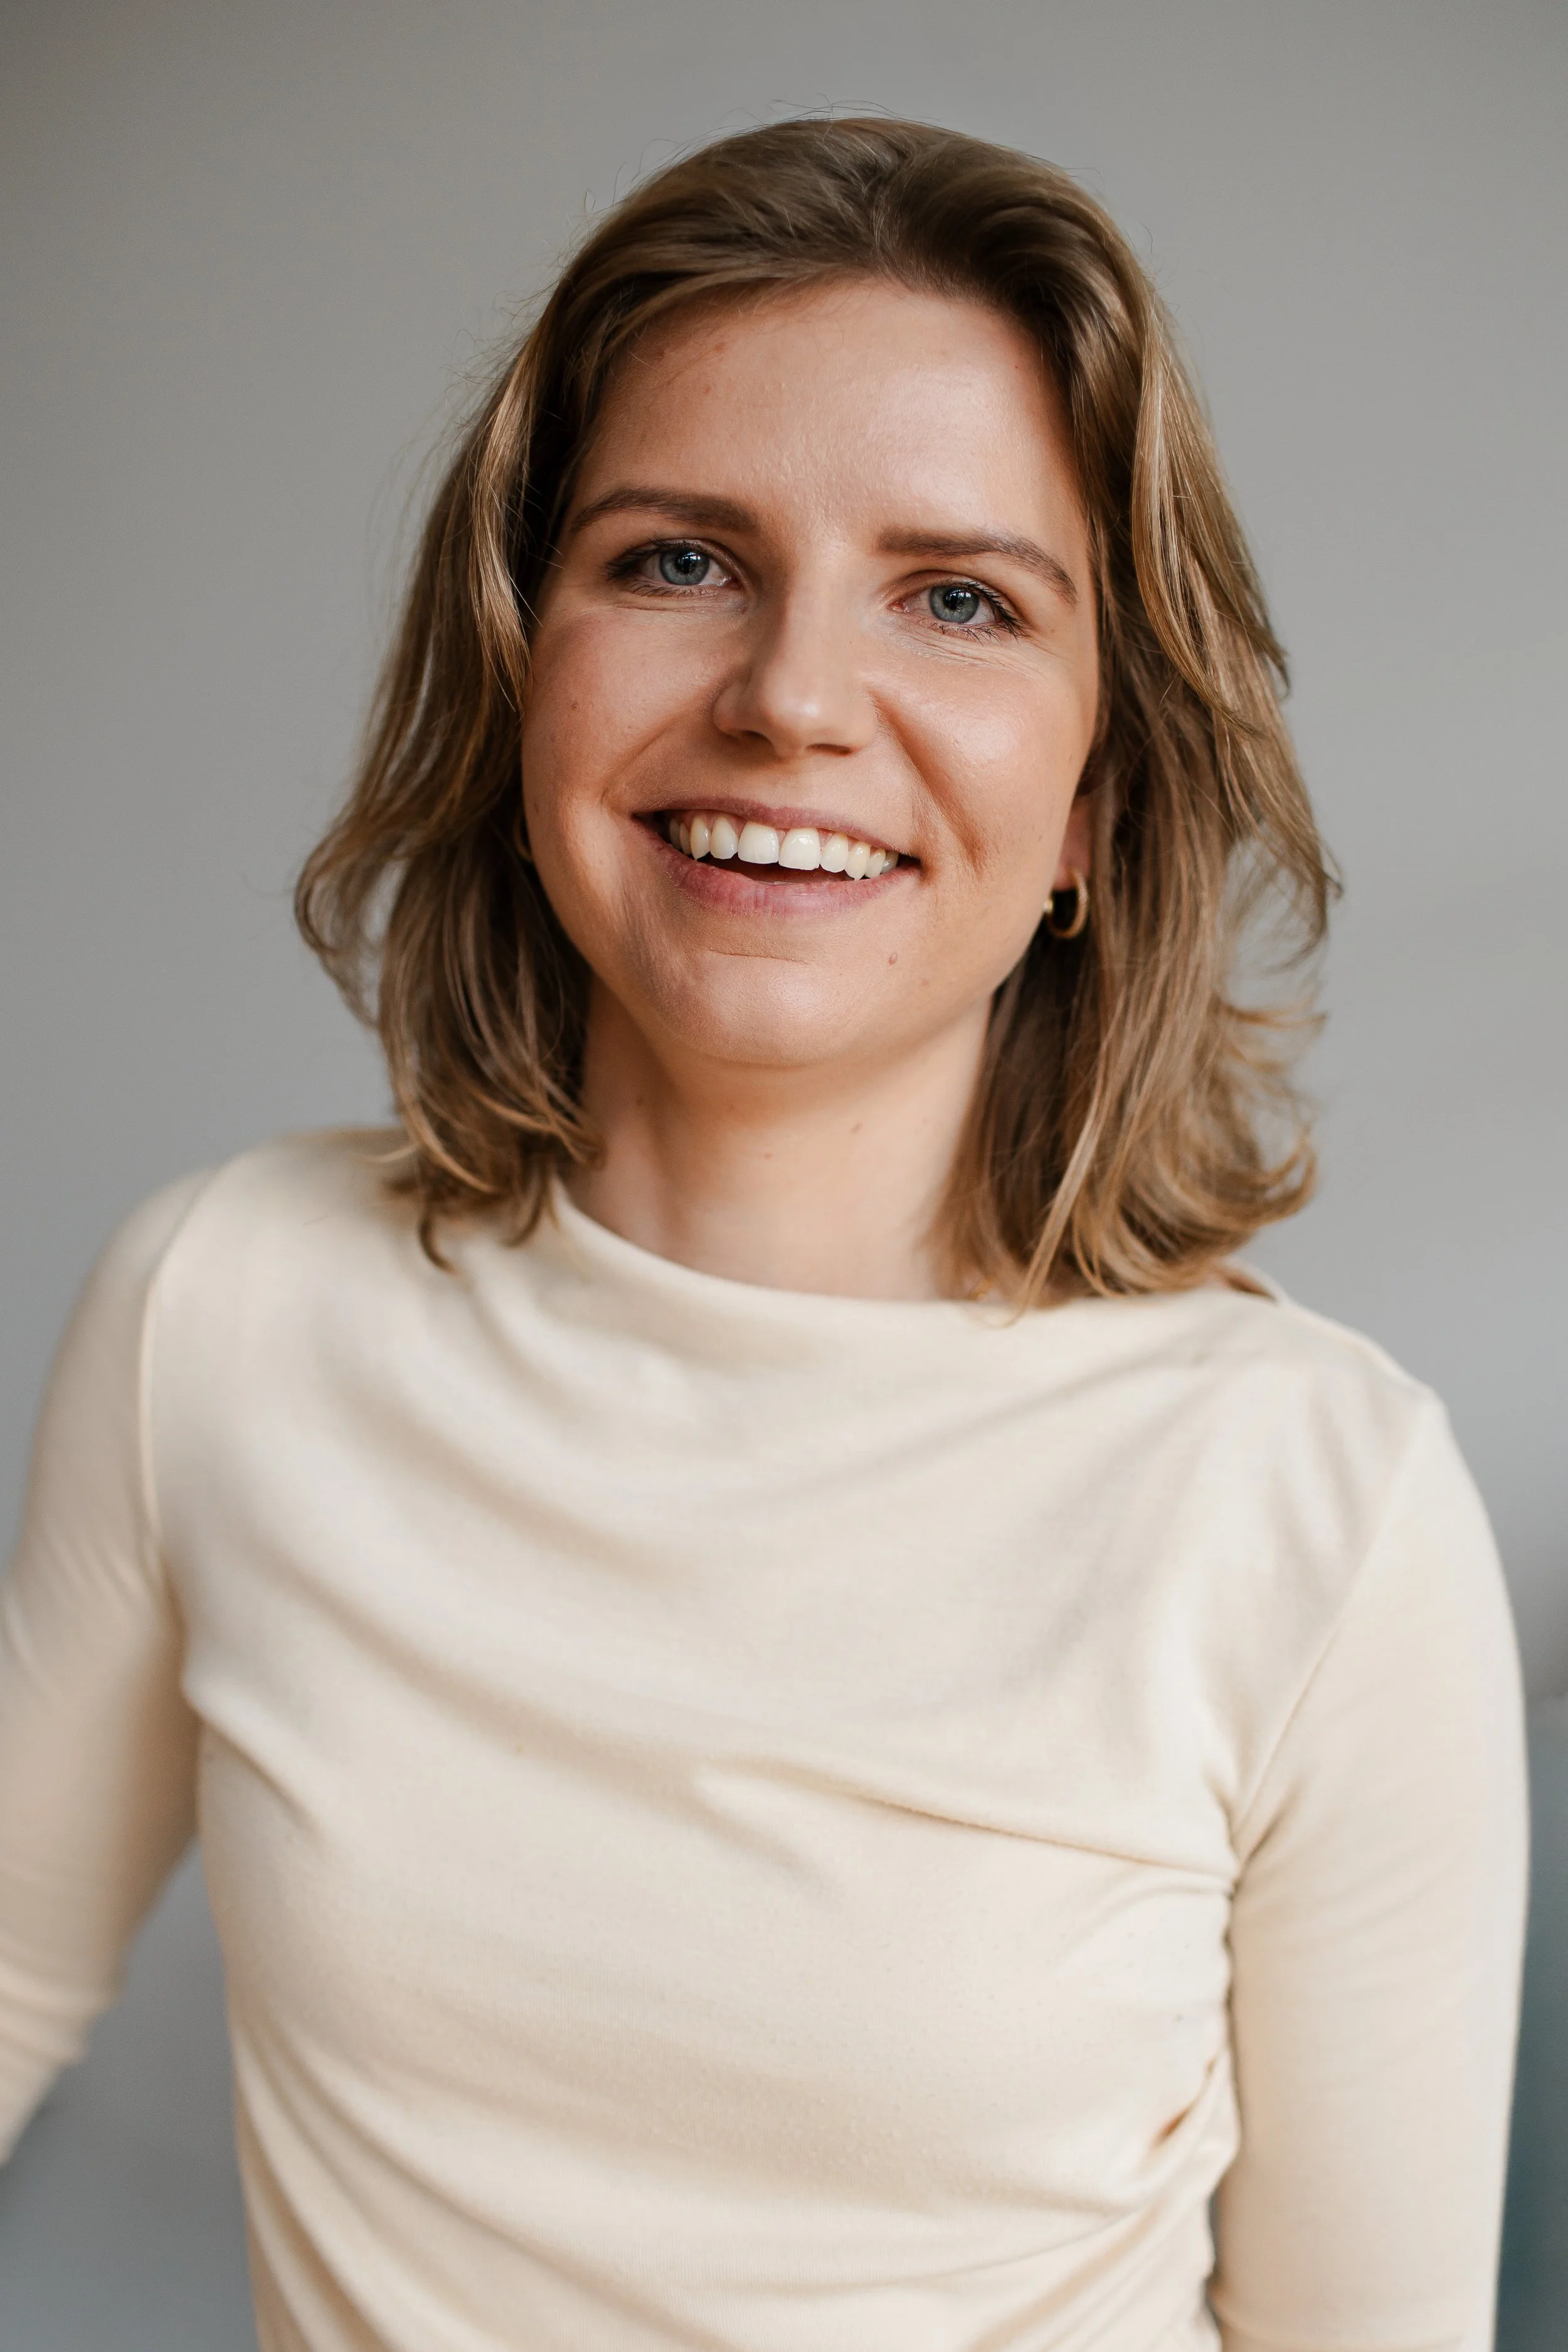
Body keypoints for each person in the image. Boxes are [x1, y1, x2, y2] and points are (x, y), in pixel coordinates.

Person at [0, 116, 1528, 2352]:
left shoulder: (1316, 1501)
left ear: (1094, 800)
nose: (794, 696)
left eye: (960, 597)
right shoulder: (225, 1310)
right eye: (679, 559)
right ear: (527, 664)